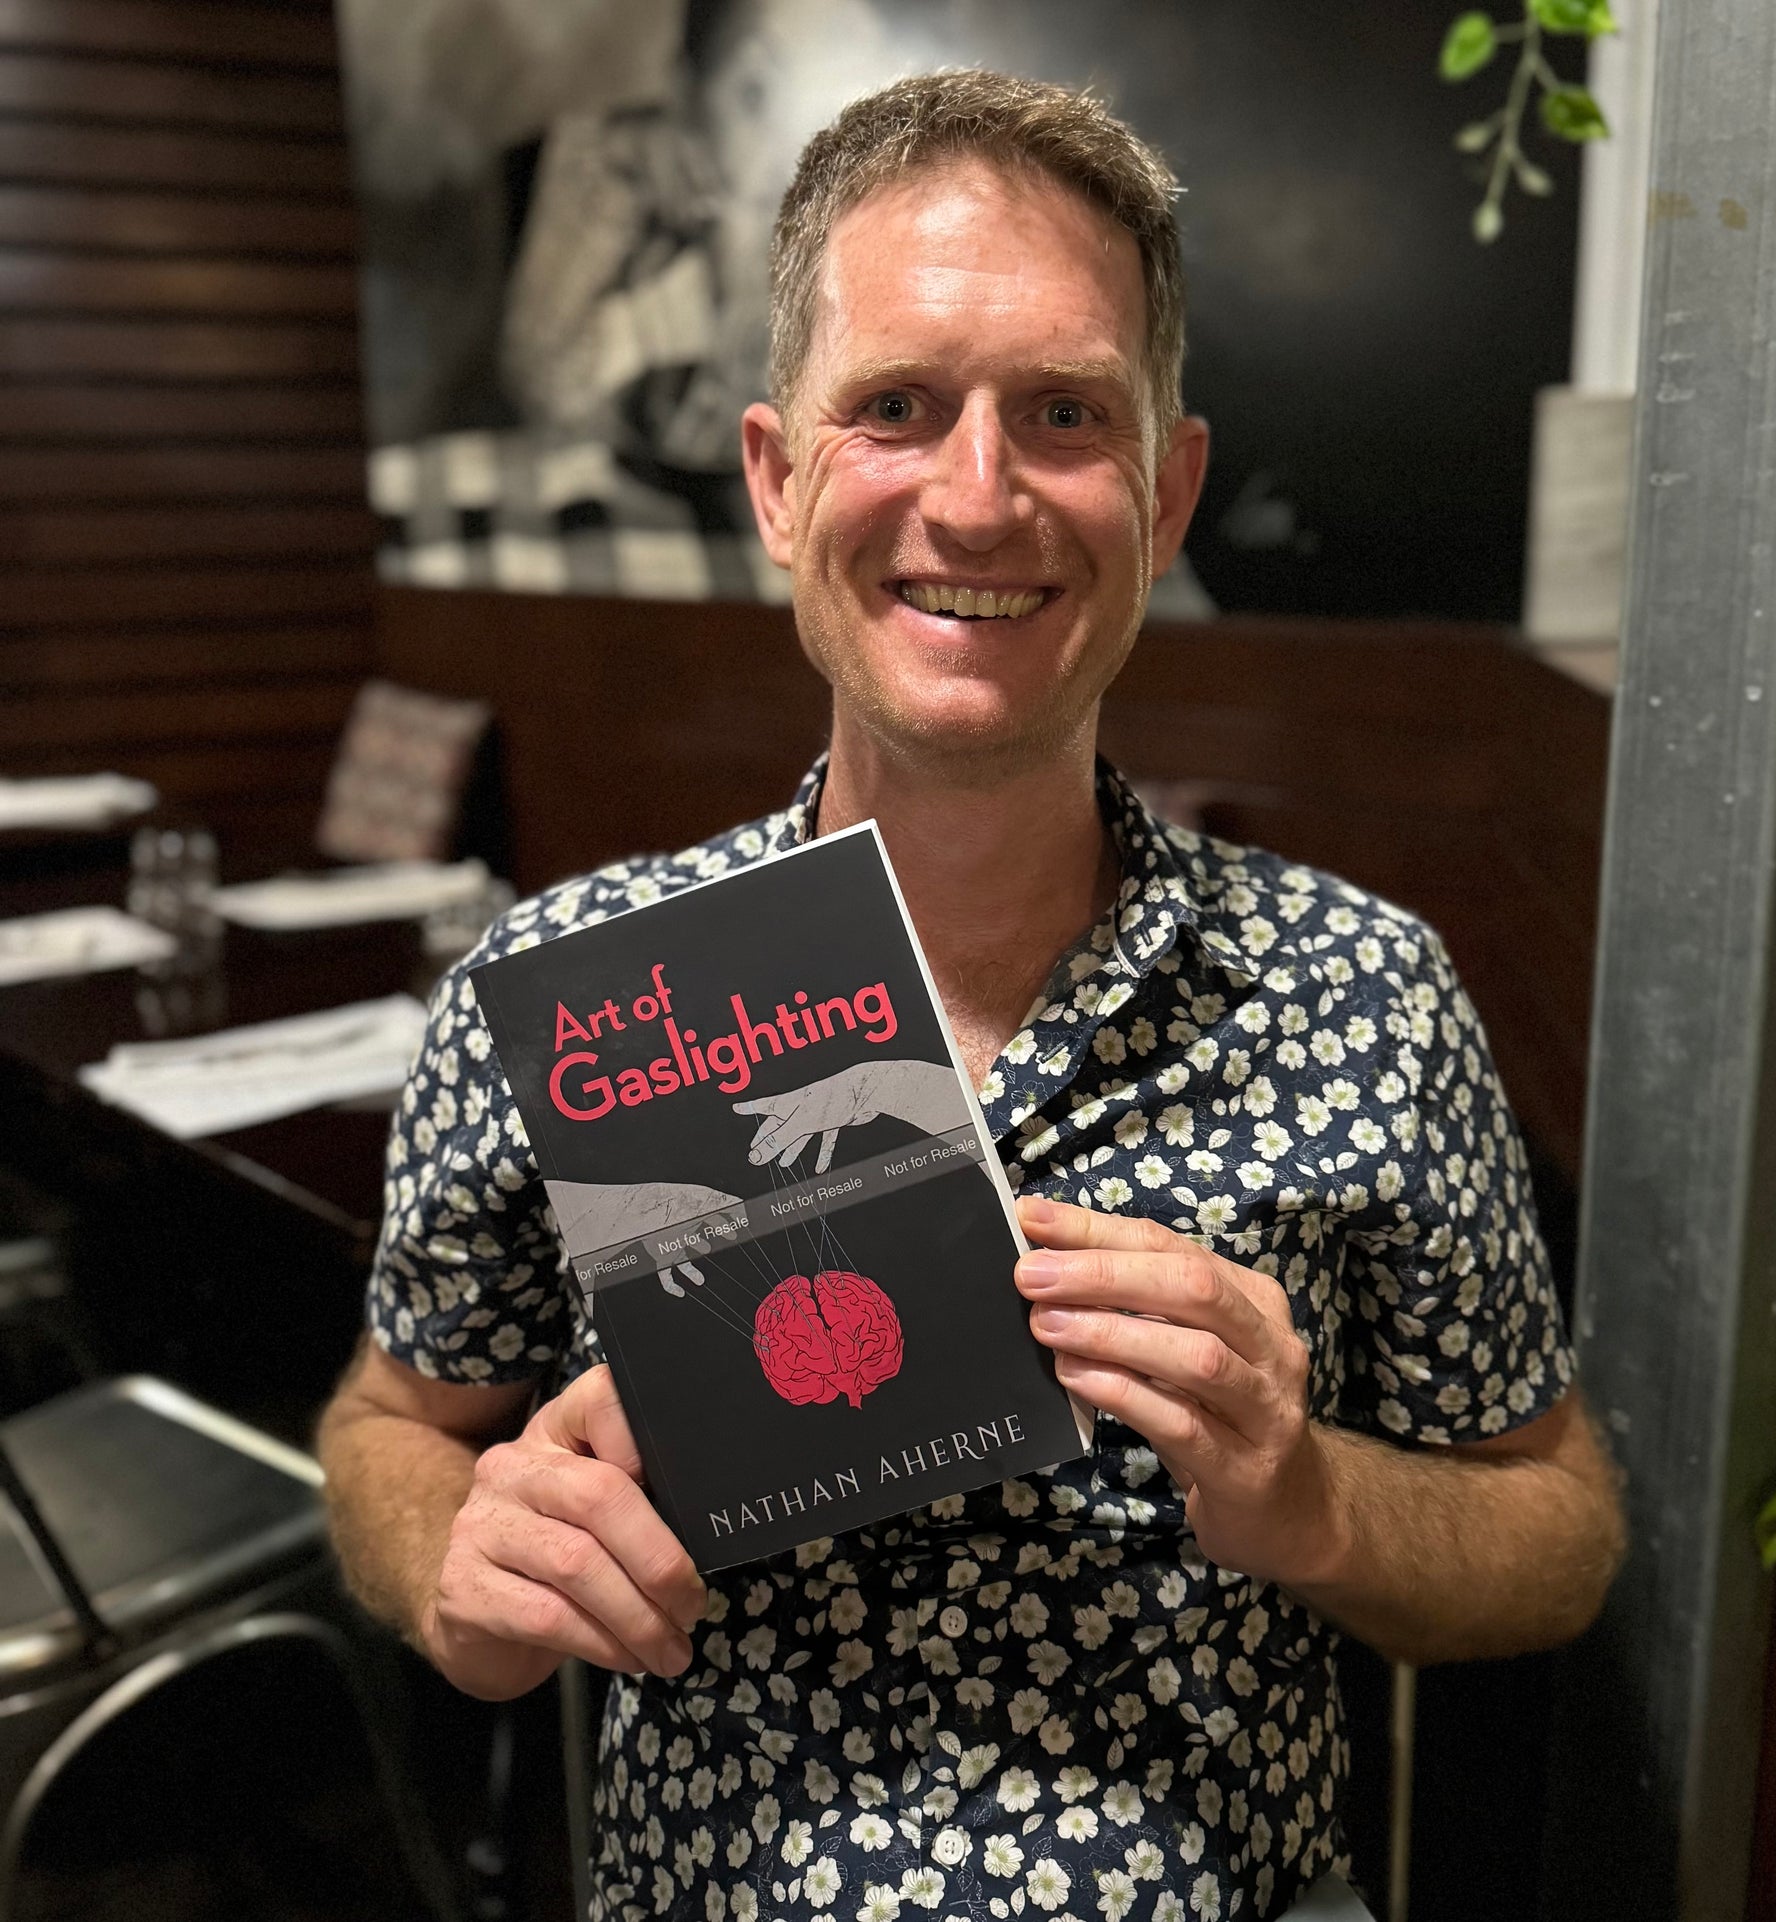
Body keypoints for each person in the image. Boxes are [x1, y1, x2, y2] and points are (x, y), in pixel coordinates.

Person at [319, 69, 1624, 1921]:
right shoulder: (568, 996)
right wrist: (458, 1555)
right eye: (898, 408)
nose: (980, 495)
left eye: (1066, 412)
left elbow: (1557, 1525)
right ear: (779, 482)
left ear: (1165, 494)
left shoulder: (1362, 995)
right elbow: (389, 1427)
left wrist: (1316, 1493)